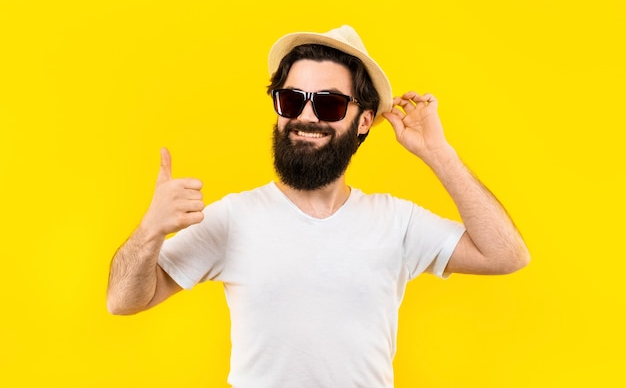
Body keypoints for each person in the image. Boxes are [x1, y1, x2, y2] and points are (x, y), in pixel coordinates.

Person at [107, 25, 530, 388]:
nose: (306, 117)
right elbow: (123, 301)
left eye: (328, 103)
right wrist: (150, 231)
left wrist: (439, 153)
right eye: (292, 100)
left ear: (363, 121)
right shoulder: (234, 218)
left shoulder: (396, 222)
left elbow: (506, 254)